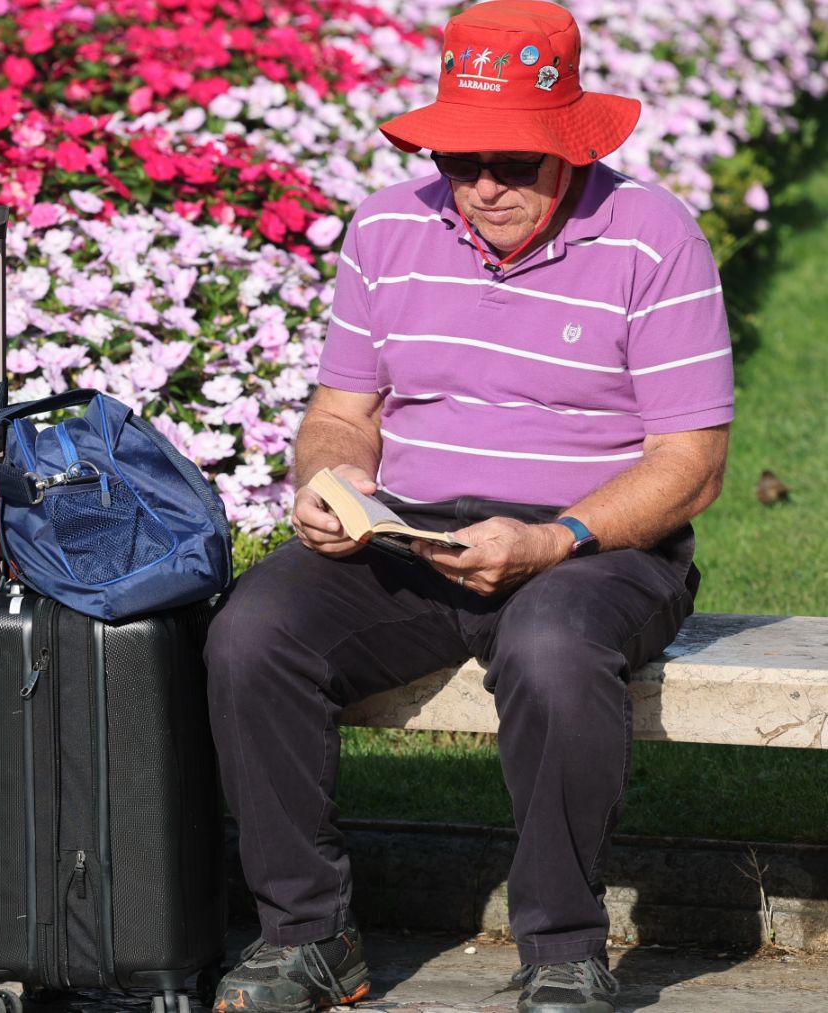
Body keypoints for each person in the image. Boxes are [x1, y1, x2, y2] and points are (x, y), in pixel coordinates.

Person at [204, 3, 731, 1013]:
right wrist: (331, 483)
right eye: (459, 159)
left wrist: (553, 538)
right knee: (253, 630)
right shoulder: (389, 225)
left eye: (514, 162)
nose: (483, 184)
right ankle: (308, 934)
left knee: (549, 647)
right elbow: (341, 413)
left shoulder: (652, 234)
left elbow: (692, 463)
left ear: (569, 149)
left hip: (598, 537)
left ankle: (564, 948)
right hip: (415, 525)